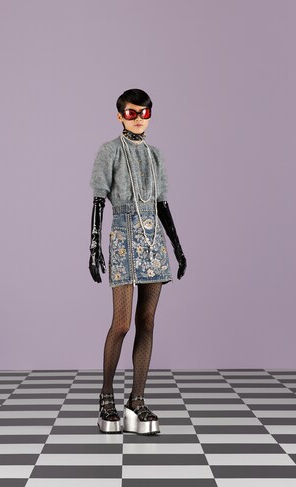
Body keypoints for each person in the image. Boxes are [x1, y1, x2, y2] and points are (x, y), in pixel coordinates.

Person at [89, 88, 187, 436]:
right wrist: (93, 245)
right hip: (123, 237)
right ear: (120, 115)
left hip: (153, 240)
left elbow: (162, 204)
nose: (139, 119)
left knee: (147, 321)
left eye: (145, 113)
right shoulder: (110, 151)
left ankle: (137, 399)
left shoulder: (155, 155)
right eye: (132, 113)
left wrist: (177, 246)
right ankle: (106, 397)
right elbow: (99, 200)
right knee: (122, 323)